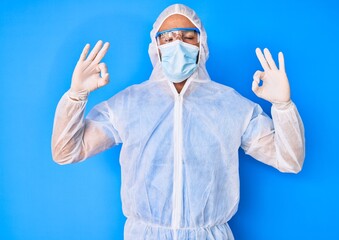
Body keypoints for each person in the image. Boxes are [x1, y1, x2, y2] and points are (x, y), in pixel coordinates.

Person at [52, 3, 305, 240]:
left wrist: (282, 106)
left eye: (187, 37)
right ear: (156, 45)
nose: (178, 44)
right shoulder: (129, 104)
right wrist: (76, 95)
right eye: (168, 38)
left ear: (201, 43)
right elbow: (67, 151)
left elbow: (289, 160)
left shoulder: (231, 105)